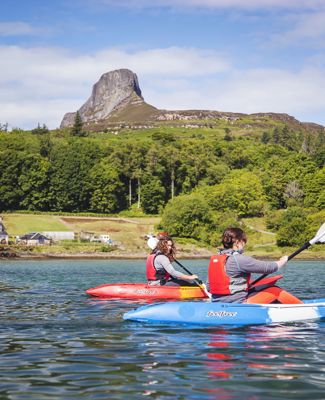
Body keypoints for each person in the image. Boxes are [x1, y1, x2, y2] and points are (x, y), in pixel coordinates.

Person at [207, 227, 288, 303]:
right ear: (238, 242)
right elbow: (269, 268)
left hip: (216, 302)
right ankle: (298, 308)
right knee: (274, 290)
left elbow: (208, 287)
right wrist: (283, 261)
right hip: (238, 302)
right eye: (244, 243)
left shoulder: (215, 260)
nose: (244, 246)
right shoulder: (239, 259)